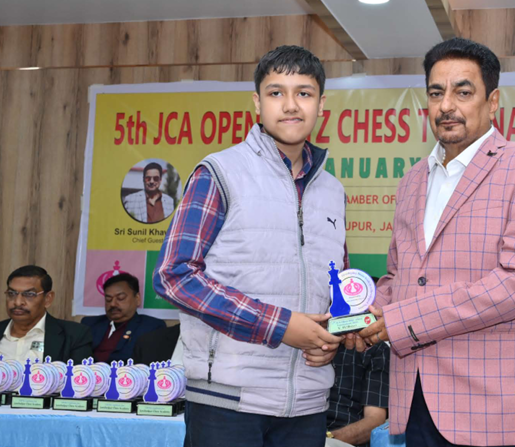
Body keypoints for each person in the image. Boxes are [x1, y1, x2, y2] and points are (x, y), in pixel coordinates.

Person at [355, 38, 515, 447]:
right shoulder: (413, 180)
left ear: (493, 102)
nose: (446, 105)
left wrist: (403, 320)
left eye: (463, 92)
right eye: (436, 93)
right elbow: (401, 276)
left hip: (497, 407)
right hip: (418, 399)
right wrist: (361, 317)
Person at [154, 45, 347, 447]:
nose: (290, 105)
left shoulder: (333, 190)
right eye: (276, 93)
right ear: (257, 103)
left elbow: (335, 290)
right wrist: (279, 325)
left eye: (304, 93)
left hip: (308, 404)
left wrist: (331, 336)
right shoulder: (220, 172)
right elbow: (174, 276)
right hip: (227, 403)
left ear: (321, 104)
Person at [0, 265, 92, 363]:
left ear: (48, 299)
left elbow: (79, 372)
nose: (18, 302)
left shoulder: (74, 335)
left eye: (29, 294)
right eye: (12, 293)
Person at [81, 272, 165, 363]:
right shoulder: (89, 324)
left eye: (120, 298)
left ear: (137, 298)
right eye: (108, 299)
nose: (113, 304)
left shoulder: (152, 327)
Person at [326, 343, 389, 447]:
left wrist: (328, 440)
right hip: (302, 431)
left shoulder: (374, 348)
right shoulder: (301, 344)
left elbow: (375, 420)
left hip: (345, 440)